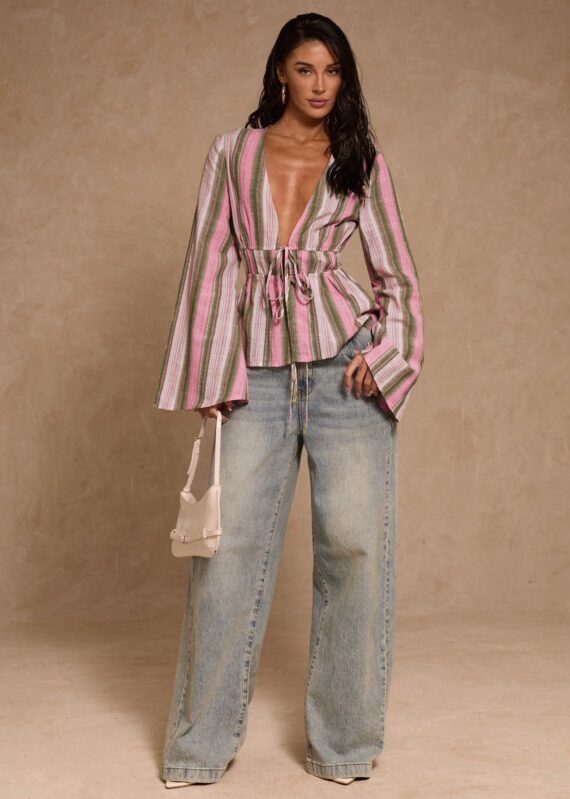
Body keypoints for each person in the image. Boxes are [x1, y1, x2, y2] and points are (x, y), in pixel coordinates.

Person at [153, 12, 424, 789]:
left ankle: (344, 745)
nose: (319, 85)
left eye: (333, 72)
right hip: (257, 374)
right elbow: (209, 264)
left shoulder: (360, 159)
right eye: (306, 69)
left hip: (345, 371)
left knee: (354, 549)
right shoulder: (231, 154)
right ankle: (199, 746)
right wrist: (212, 380)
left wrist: (387, 356)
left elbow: (397, 276)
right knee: (227, 552)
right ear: (280, 71)